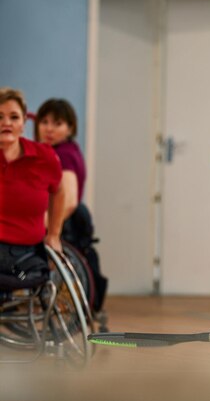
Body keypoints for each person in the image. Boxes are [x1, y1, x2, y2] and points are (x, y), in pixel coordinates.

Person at [34, 98, 108, 314]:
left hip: (64, 224)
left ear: (70, 128)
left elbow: (68, 201)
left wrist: (41, 227)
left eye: (57, 123)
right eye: (44, 122)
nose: (49, 128)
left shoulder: (64, 155)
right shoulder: (60, 150)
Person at [0, 88, 64, 285]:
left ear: (23, 122)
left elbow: (58, 191)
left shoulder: (44, 157)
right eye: (0, 117)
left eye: (14, 117)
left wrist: (54, 234)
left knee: (22, 276)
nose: (6, 123)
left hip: (23, 264)